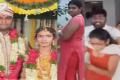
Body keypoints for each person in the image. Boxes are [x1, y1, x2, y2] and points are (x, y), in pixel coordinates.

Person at [58, 0, 85, 80]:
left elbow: (66, 36)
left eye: (74, 8)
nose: (70, 10)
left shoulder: (77, 19)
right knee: (70, 73)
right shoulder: (78, 18)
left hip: (72, 51)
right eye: (69, 8)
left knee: (69, 73)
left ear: (80, 9)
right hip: (72, 49)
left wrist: (59, 32)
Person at [0, 2, 26, 80]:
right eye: (0, 17)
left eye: (8, 18)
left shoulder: (20, 40)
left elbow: (25, 64)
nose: (3, 21)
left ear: (12, 20)